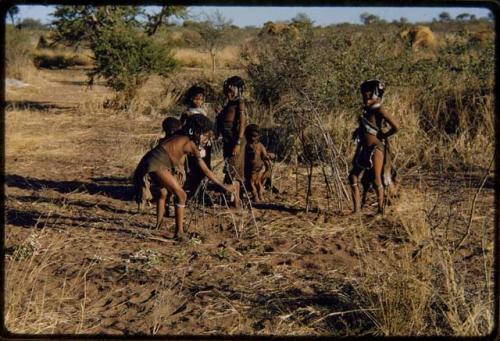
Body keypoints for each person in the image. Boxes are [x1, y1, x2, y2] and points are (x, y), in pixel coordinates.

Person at [134, 114, 238, 240]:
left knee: (163, 193)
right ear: (197, 132)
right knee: (181, 195)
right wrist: (223, 186)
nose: (206, 139)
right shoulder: (190, 144)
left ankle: (160, 225)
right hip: (157, 164)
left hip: (150, 161)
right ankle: (179, 233)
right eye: (205, 135)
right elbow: (205, 170)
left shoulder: (179, 136)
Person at [349, 79, 399, 215]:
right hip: (364, 148)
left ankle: (380, 211)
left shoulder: (380, 109)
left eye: (369, 91)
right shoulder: (366, 110)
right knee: (352, 177)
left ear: (375, 92)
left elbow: (396, 126)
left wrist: (383, 136)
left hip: (375, 148)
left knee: (377, 179)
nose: (365, 94)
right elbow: (362, 131)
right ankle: (357, 210)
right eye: (364, 91)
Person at [216, 76, 246, 207]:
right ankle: (232, 199)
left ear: (238, 89)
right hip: (228, 141)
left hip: (235, 141)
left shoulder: (239, 103)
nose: (229, 91)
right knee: (229, 169)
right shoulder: (228, 103)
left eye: (231, 89)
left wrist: (238, 143)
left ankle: (237, 202)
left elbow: (242, 124)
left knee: (235, 170)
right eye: (227, 88)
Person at [180, 85, 213, 197]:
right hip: (192, 143)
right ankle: (194, 190)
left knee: (205, 165)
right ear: (190, 98)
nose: (198, 101)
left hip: (204, 143)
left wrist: (207, 137)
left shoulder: (205, 111)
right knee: (193, 166)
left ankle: (202, 191)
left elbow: (209, 128)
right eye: (196, 98)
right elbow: (182, 127)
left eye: (200, 99)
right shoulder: (187, 112)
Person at [244, 124, 276, 202]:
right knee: (251, 184)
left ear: (258, 136)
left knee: (258, 183)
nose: (252, 138)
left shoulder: (260, 146)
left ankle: (260, 195)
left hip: (259, 169)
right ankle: (255, 196)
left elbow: (265, 155)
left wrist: (270, 156)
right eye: (250, 136)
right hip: (249, 170)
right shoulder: (245, 146)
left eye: (255, 136)